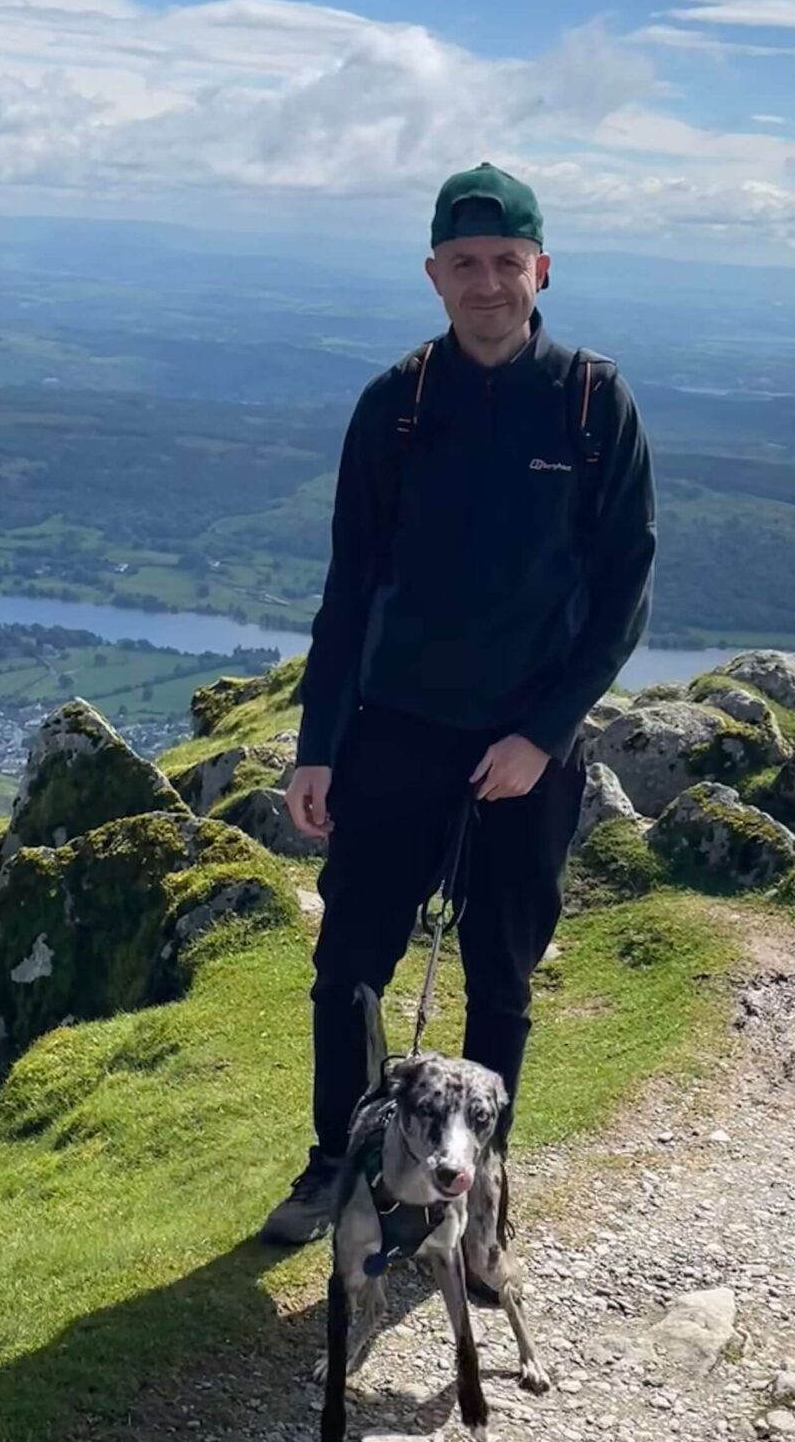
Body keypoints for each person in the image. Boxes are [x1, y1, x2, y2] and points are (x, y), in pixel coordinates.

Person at [260, 162, 657, 1246]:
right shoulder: (398, 407)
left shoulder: (589, 403)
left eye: (507, 262)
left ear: (542, 269)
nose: (488, 282)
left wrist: (544, 735)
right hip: (396, 731)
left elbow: (626, 593)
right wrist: (319, 745)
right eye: (465, 263)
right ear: (434, 274)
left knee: (500, 980)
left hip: (528, 747)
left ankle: (472, 1203)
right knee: (349, 964)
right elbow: (350, 588)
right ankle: (339, 1167)